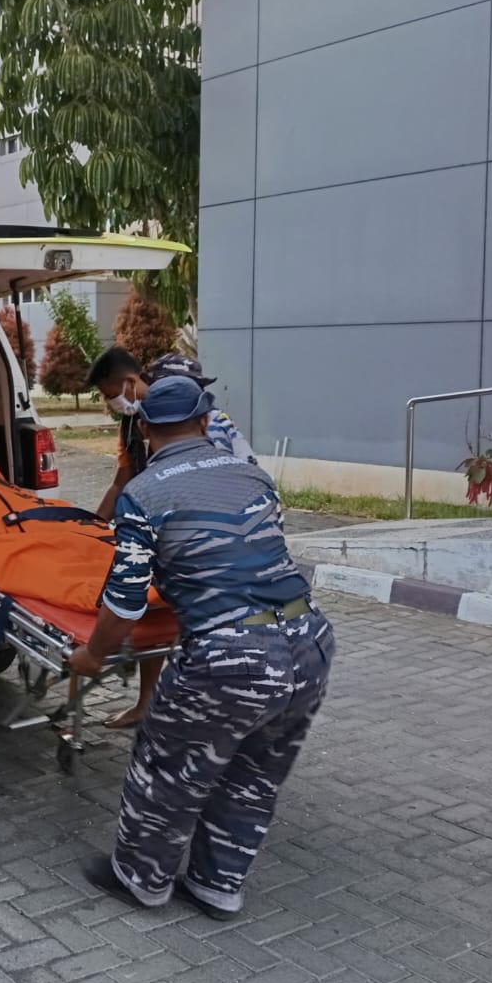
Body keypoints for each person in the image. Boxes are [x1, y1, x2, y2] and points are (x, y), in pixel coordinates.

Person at [69, 375, 333, 920]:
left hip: (230, 655)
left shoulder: (143, 494)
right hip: (309, 642)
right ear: (207, 421)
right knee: (256, 772)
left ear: (143, 428)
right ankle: (217, 885)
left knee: (169, 767)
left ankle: (141, 878)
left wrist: (94, 656)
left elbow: (125, 601)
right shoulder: (254, 476)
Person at [85, 348, 258, 728]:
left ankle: (218, 715)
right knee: (155, 607)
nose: (110, 403)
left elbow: (228, 488)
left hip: (216, 538)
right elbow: (124, 482)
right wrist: (92, 528)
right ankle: (149, 703)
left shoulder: (206, 425)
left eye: (109, 392)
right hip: (173, 533)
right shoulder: (134, 426)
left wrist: (94, 652)